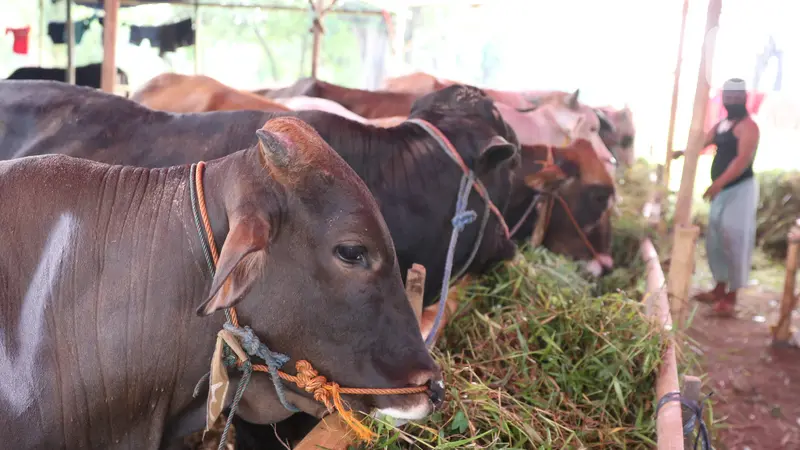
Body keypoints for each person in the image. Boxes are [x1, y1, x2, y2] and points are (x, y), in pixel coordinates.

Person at [693, 78, 760, 317]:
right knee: (715, 238)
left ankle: (733, 295)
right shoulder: (722, 125)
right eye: (727, 97)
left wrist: (718, 184)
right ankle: (719, 287)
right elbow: (702, 143)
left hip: (739, 189)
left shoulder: (749, 127)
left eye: (736, 97)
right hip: (721, 191)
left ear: (744, 98)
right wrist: (683, 152)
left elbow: (742, 161)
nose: (731, 101)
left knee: (735, 237)